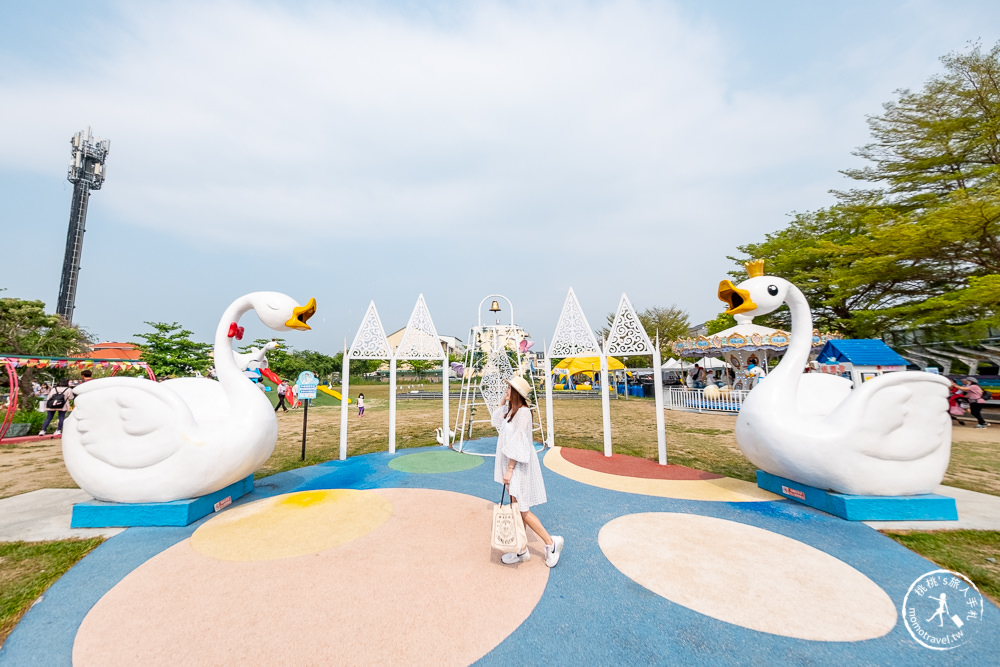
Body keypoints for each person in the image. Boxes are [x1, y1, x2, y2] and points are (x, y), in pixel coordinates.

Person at [492, 375, 563, 568]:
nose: (505, 391)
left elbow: (519, 442)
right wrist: (503, 400)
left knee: (522, 510)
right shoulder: (511, 411)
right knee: (516, 507)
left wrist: (510, 469)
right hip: (513, 464)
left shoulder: (523, 413)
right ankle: (521, 549)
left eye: (509, 389)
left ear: (516, 393)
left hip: (519, 465)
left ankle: (551, 543)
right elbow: (495, 420)